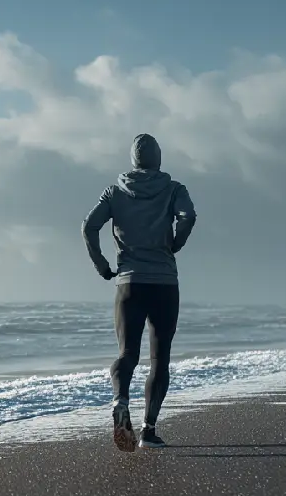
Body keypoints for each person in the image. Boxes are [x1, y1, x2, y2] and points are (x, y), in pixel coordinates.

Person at [81, 133, 197, 452]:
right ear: (158, 159)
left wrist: (103, 266)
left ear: (133, 160)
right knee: (159, 358)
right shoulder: (174, 189)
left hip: (129, 282)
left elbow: (89, 227)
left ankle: (120, 400)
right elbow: (189, 216)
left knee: (126, 354)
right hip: (163, 283)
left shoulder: (115, 191)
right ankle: (149, 430)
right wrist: (175, 243)